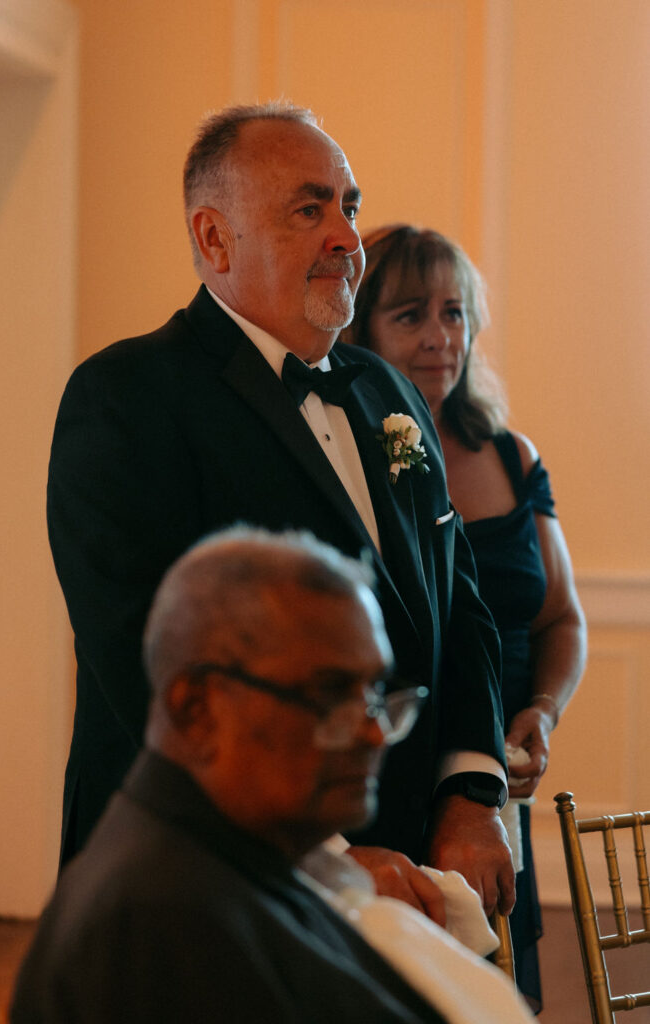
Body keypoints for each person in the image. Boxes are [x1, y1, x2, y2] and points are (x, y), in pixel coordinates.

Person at [47, 101, 514, 915]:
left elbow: (458, 605)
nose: (346, 237)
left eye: (350, 206)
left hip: (410, 867)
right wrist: (322, 858)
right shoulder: (125, 398)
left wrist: (469, 790)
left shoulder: (389, 393)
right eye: (310, 208)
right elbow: (151, 667)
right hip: (204, 886)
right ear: (213, 239)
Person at [10, 528, 533, 1024]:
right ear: (197, 708)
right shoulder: (164, 920)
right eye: (329, 694)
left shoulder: (240, 860)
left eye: (376, 694)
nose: (375, 734)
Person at [343, 224, 587, 1010]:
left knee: (498, 998)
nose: (439, 338)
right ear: (360, 326)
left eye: (453, 313)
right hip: (393, 784)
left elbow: (561, 620)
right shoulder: (345, 455)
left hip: (495, 789)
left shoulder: (511, 455)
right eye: (410, 315)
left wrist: (540, 712)